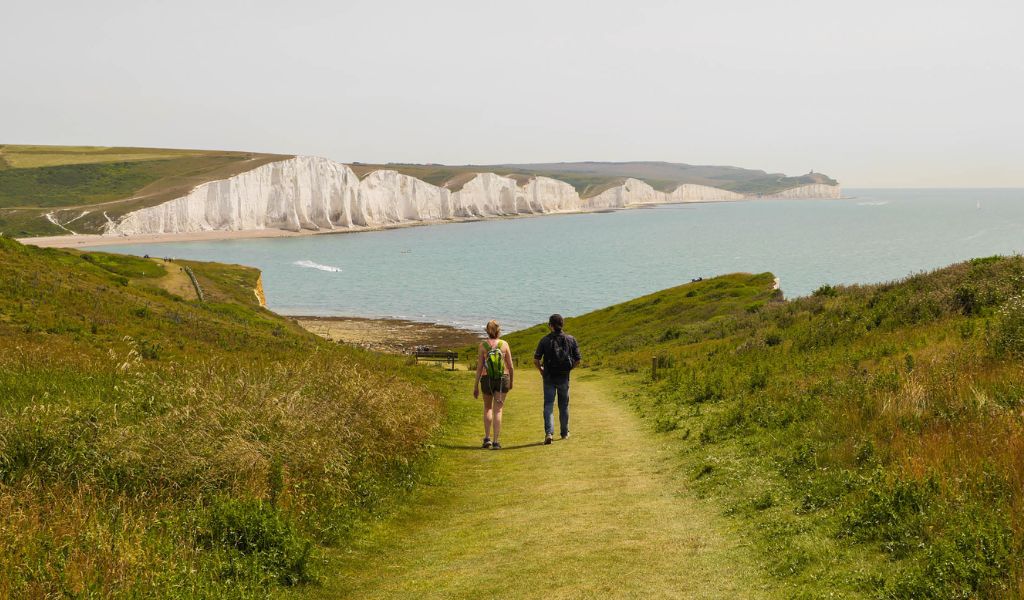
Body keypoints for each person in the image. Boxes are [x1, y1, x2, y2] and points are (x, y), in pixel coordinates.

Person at [534, 314, 581, 444]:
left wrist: (541, 370)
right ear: (562, 324)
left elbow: (536, 360)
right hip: (564, 377)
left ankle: (549, 433)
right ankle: (565, 433)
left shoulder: (544, 340)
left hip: (548, 376)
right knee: (563, 405)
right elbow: (578, 360)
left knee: (548, 404)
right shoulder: (571, 339)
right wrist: (569, 369)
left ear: (551, 326)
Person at [474, 320, 513, 450]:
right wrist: (511, 381)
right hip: (503, 379)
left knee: (488, 408)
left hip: (486, 379)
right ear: (499, 331)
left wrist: (475, 386)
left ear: (487, 331)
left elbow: (479, 368)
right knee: (498, 410)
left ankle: (487, 438)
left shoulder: (483, 346)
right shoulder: (504, 344)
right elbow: (510, 366)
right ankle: (496, 441)